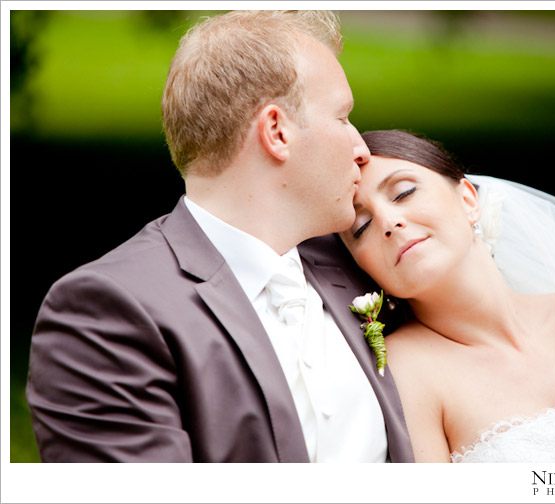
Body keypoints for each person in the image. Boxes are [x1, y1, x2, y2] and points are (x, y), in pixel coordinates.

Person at [26, 11, 414, 463]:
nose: (362, 150)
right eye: (342, 117)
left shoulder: (362, 260)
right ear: (276, 131)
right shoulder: (107, 313)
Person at [339, 129, 555, 463]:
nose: (388, 221)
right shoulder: (404, 371)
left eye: (403, 193)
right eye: (361, 227)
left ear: (467, 199)